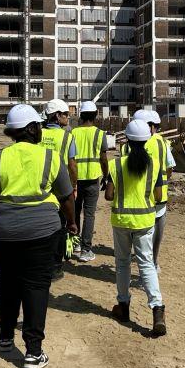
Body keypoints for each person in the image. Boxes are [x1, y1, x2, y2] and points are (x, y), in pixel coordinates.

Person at [0, 104, 77, 368]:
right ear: (35, 128)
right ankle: (33, 352)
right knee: (36, 287)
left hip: (3, 234)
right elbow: (66, 197)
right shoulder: (50, 158)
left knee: (8, 284)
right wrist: (71, 222)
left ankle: (4, 337)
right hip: (43, 233)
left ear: (12, 132)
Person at [105, 119, 166, 336]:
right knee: (146, 265)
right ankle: (157, 310)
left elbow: (109, 195)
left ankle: (123, 307)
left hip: (121, 221)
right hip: (145, 221)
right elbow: (158, 196)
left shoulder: (116, 165)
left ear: (128, 141)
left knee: (122, 264)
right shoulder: (154, 165)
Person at [123, 110, 176, 273]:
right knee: (155, 231)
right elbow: (169, 169)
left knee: (138, 231)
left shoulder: (126, 146)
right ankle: (152, 262)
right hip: (158, 196)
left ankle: (143, 259)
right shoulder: (162, 143)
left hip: (135, 197)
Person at [39, 98, 78, 281]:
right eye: (65, 115)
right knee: (59, 227)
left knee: (39, 225)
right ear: (57, 116)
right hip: (59, 188)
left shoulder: (37, 134)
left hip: (40, 186)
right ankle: (55, 267)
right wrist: (73, 186)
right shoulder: (67, 137)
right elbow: (72, 165)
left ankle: (40, 264)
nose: (67, 118)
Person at [70, 101, 108, 262]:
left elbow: (70, 158)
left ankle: (76, 243)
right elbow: (104, 158)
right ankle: (86, 249)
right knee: (90, 214)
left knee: (75, 211)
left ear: (81, 115)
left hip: (76, 179)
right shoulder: (100, 134)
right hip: (92, 178)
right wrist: (105, 176)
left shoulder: (73, 133)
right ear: (95, 115)